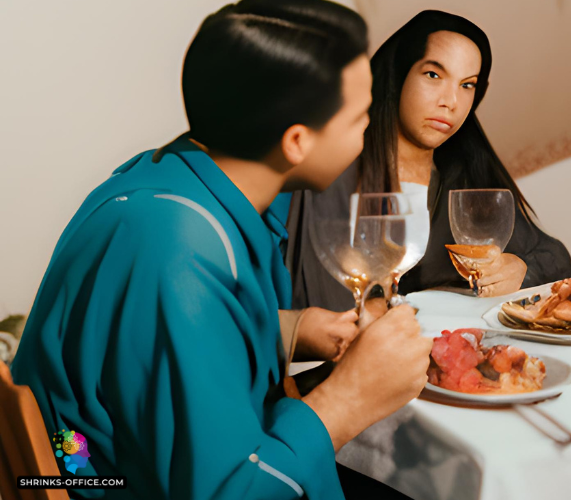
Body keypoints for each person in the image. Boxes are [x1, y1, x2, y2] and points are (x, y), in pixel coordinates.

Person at [11, 1, 431, 498]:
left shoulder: (169, 177)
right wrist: (349, 400)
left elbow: (146, 336)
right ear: (297, 141)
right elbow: (224, 490)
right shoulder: (179, 250)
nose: (369, 127)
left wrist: (293, 329)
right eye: (360, 115)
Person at [285, 10, 571, 312]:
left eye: (467, 85)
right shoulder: (332, 170)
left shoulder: (464, 174)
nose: (450, 102)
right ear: (399, 74)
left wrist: (521, 269)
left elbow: (558, 261)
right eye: (433, 75)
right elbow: (321, 303)